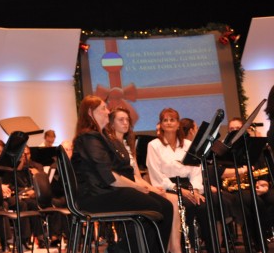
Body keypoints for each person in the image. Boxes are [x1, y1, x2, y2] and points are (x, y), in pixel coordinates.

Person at [71, 95, 173, 252]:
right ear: (91, 113)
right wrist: (137, 187)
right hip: (95, 196)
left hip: (105, 191)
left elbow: (116, 172)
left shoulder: (99, 137)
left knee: (165, 206)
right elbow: (109, 176)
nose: (108, 111)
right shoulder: (89, 138)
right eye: (103, 108)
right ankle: (120, 250)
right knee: (154, 206)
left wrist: (140, 187)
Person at [105, 107, 182, 253]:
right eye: (121, 120)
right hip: (124, 189)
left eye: (127, 120)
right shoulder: (110, 145)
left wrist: (153, 188)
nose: (125, 123)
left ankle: (169, 248)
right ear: (112, 123)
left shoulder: (127, 145)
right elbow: (123, 177)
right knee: (164, 205)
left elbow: (138, 177)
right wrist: (150, 189)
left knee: (172, 201)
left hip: (136, 186)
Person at [146, 107, 212, 251]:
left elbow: (195, 170)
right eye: (165, 120)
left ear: (178, 124)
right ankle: (185, 247)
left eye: (172, 120)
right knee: (186, 205)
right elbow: (156, 174)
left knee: (206, 205)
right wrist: (177, 189)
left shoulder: (188, 145)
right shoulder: (154, 145)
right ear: (161, 124)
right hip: (168, 187)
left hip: (189, 185)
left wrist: (194, 189)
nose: (169, 123)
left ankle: (209, 246)